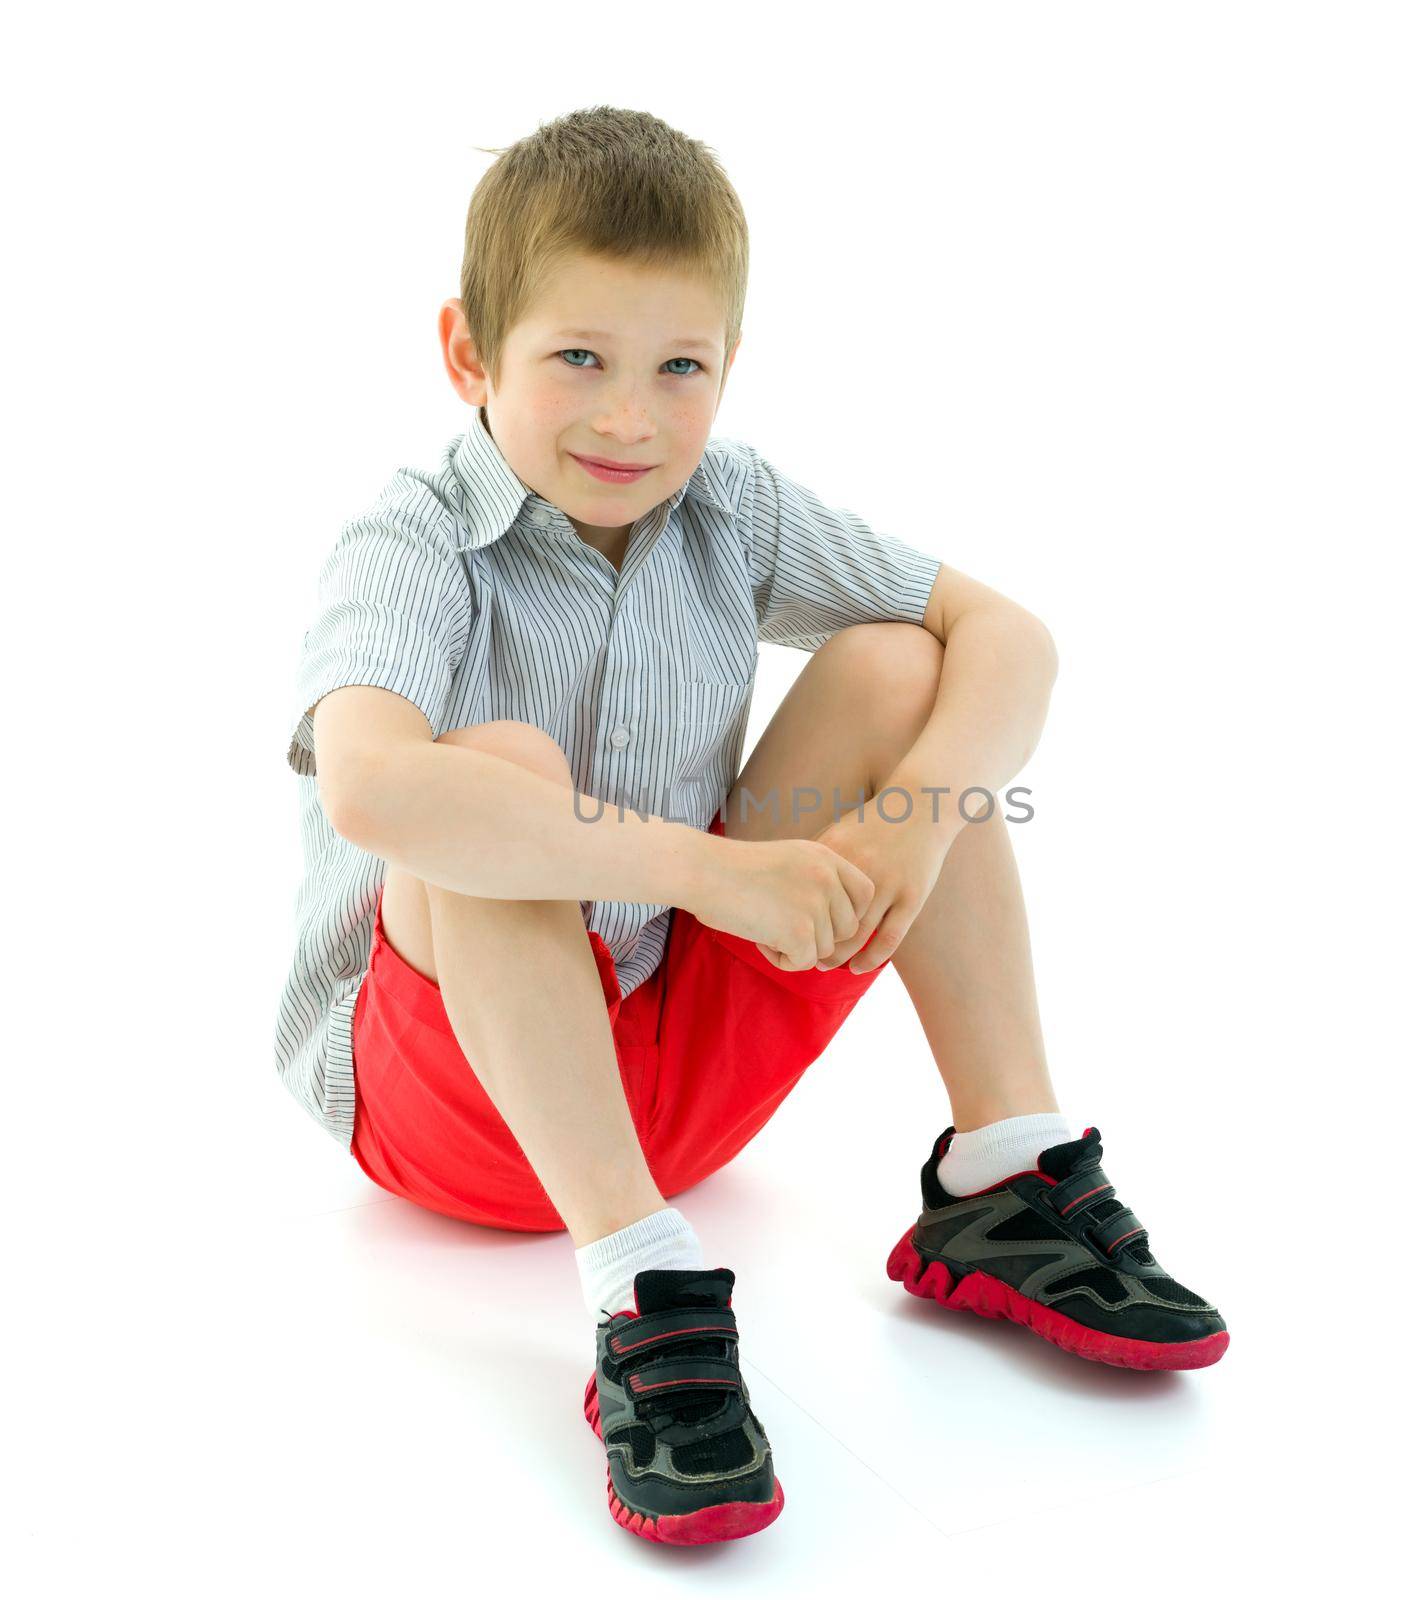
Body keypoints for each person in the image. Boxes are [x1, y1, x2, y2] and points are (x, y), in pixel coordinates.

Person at [275, 105, 1226, 1548]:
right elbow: (376, 790)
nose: (630, 418)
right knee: (494, 773)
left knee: (910, 673)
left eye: (680, 369)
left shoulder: (731, 508)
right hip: (456, 1109)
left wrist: (907, 833)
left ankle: (1006, 1173)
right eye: (578, 360)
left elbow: (1011, 639)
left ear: (729, 370)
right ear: (471, 353)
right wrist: (717, 874)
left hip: (672, 1076)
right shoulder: (409, 541)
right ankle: (643, 1289)